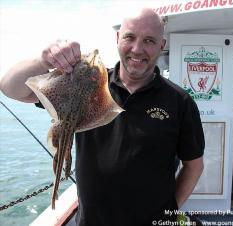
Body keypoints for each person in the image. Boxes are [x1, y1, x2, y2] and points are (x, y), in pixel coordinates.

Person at [0, 8, 204, 226]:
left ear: (161, 46)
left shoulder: (179, 101)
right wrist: (44, 61)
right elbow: (10, 87)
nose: (137, 48)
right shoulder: (90, 84)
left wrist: (170, 211)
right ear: (118, 38)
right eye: (129, 37)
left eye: (149, 40)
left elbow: (194, 166)